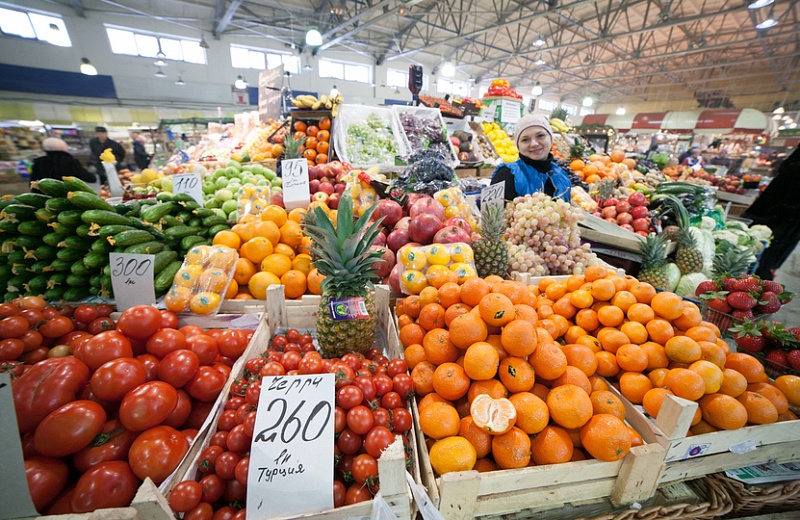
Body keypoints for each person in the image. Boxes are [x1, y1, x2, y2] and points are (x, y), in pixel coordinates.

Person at [742, 145, 800, 280]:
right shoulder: (794, 169)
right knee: (764, 265)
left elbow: (768, 200)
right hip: (785, 228)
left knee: (756, 260)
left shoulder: (793, 168)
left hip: (772, 222)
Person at [489, 113, 571, 202]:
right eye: (525, 139)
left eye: (540, 136)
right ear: (518, 146)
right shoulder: (505, 174)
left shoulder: (562, 176)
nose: (534, 144)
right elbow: (490, 212)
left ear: (551, 139)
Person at [31, 138, 96, 188]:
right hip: (68, 197)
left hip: (44, 197)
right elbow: (89, 178)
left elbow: (33, 182)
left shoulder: (38, 162)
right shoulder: (69, 161)